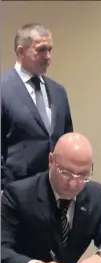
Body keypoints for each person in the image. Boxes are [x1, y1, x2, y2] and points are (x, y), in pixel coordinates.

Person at [1, 132, 101, 263]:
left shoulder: (95, 195)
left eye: (83, 175)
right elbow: (2, 249)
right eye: (66, 173)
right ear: (50, 161)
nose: (74, 183)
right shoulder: (19, 195)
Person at [1, 23, 73, 190]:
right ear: (20, 52)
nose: (48, 56)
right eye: (41, 50)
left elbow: (66, 138)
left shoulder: (58, 92)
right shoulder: (3, 89)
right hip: (15, 191)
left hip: (55, 190)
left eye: (50, 50)